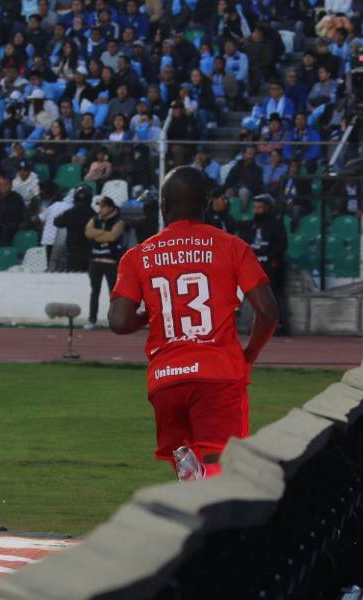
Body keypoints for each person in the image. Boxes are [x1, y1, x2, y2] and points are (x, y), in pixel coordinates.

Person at [108, 166, 279, 479]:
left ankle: (195, 478)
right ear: (206, 203)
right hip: (218, 373)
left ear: (163, 206)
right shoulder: (233, 247)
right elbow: (268, 310)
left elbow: (119, 321)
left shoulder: (138, 255)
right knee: (222, 464)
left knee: (186, 460)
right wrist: (249, 355)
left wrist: (151, 313)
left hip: (166, 379)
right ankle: (207, 480)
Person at [237, 194, 289, 334]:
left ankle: (278, 325)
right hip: (254, 265)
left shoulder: (276, 223)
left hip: (270, 265)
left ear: (268, 208)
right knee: (254, 296)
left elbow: (282, 244)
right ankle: (255, 326)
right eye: (255, 207)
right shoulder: (251, 224)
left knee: (273, 295)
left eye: (260, 207)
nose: (257, 210)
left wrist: (271, 256)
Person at [83, 195, 126, 330]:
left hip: (110, 261)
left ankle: (115, 320)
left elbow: (113, 236)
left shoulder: (119, 221)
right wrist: (103, 233)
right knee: (94, 292)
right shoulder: (95, 219)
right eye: (100, 206)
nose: (100, 209)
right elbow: (88, 232)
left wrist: (97, 236)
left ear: (110, 207)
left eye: (103, 206)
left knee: (113, 293)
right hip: (95, 261)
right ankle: (92, 320)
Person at [54, 185, 95, 272]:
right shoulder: (93, 214)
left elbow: (57, 222)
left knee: (73, 274)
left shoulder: (70, 213)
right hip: (89, 249)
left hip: (73, 249)